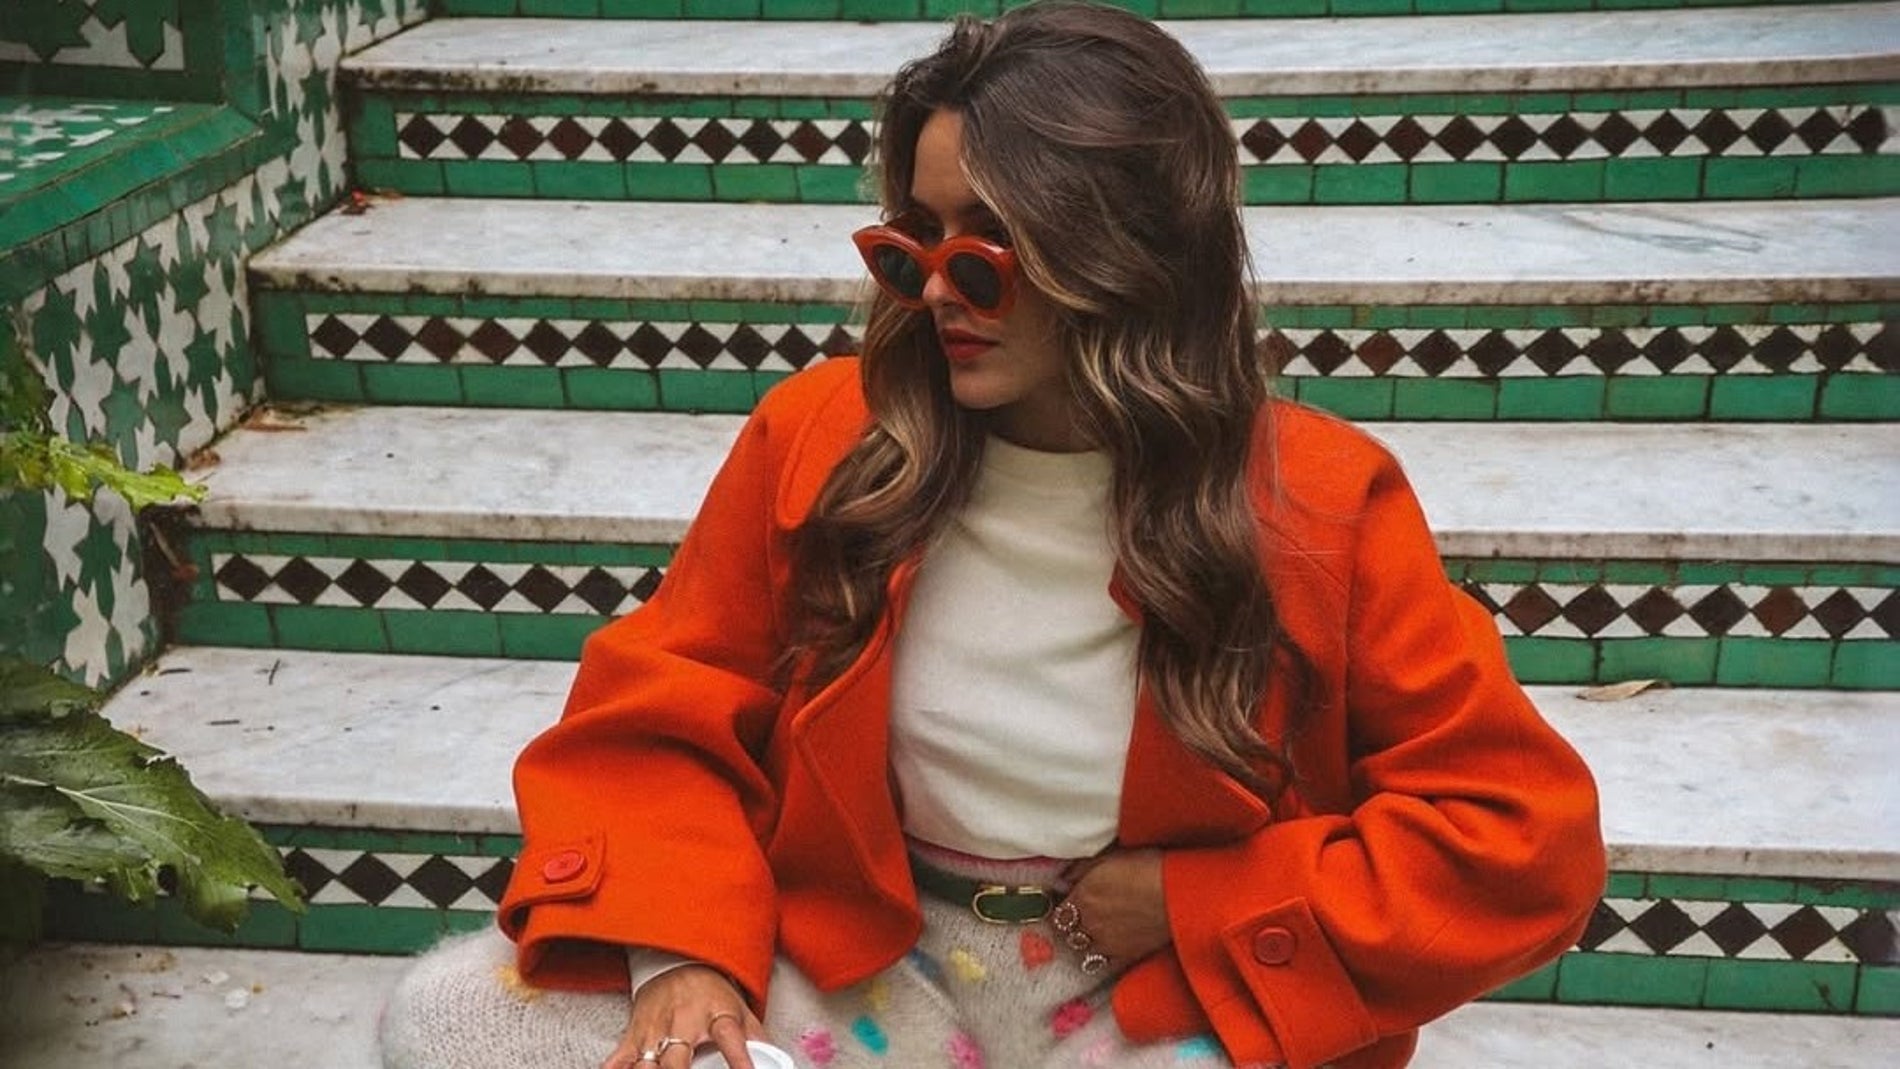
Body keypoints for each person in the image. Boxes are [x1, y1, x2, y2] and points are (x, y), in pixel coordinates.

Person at [379, 3, 1606, 1067]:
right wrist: (681, 954)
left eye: (989, 251)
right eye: (915, 240)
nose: (933, 291)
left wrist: (1205, 899)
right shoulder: (823, 438)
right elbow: (659, 720)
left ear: (1125, 254)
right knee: (455, 1016)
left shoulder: (1318, 502)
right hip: (867, 968)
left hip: (1152, 995)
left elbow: (1517, 844)